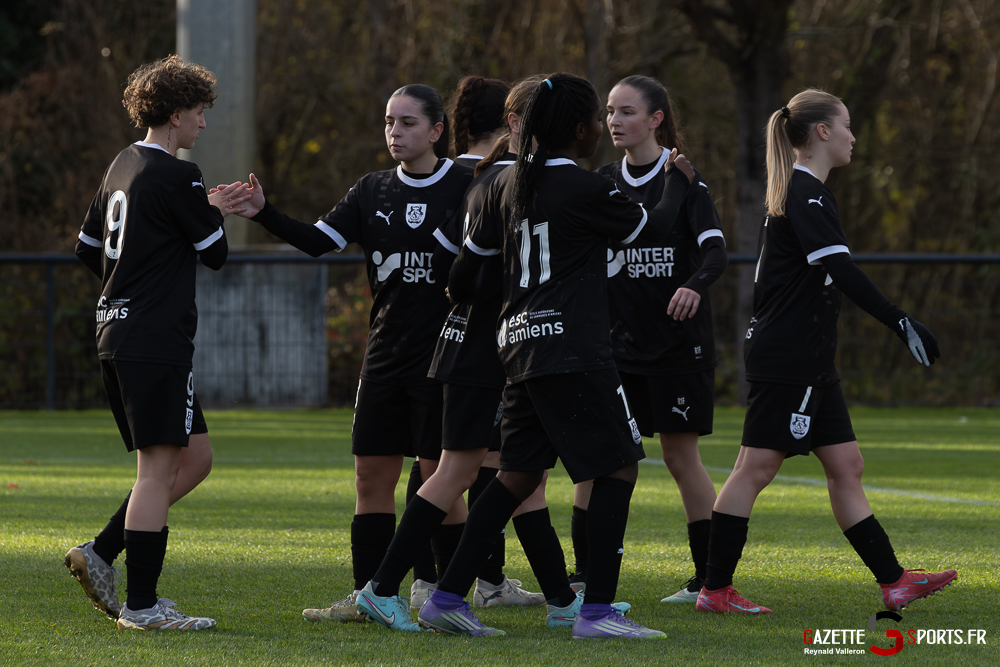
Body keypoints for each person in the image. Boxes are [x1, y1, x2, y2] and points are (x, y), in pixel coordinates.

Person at [413, 72, 694, 640]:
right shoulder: (586, 188)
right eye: (595, 118)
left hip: (515, 345)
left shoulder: (500, 183)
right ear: (576, 127)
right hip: (574, 349)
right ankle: (597, 612)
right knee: (618, 465)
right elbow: (654, 227)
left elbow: (467, 271)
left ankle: (446, 596)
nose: (600, 128)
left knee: (515, 475)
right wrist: (677, 183)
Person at [695, 88, 956, 615]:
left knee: (846, 464)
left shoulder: (805, 190)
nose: (853, 136)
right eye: (847, 125)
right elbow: (842, 270)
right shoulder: (804, 192)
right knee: (755, 468)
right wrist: (899, 320)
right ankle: (715, 589)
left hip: (808, 357)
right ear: (821, 132)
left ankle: (895, 581)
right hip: (788, 356)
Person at [232, 84, 474, 624]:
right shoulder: (371, 189)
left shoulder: (468, 183)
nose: (395, 132)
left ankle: (440, 593)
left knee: (441, 479)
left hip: (447, 357)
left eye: (408, 123)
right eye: (389, 122)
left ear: (437, 130)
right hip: (385, 356)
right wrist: (263, 211)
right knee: (371, 475)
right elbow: (319, 240)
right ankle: (369, 596)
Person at [68, 54, 249, 631]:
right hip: (153, 338)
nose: (203, 124)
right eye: (198, 113)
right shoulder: (179, 175)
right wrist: (212, 207)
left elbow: (85, 247)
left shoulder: (121, 163)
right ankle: (142, 608)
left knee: (194, 458)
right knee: (156, 470)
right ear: (174, 116)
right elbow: (216, 253)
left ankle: (100, 551)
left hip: (116, 328)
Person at [569, 76, 727, 605]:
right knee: (599, 458)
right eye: (609, 111)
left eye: (626, 111)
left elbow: (716, 254)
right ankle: (583, 574)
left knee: (683, 459)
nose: (613, 120)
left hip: (678, 348)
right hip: (614, 349)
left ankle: (708, 580)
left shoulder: (684, 179)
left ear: (655, 119)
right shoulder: (603, 181)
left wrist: (692, 284)